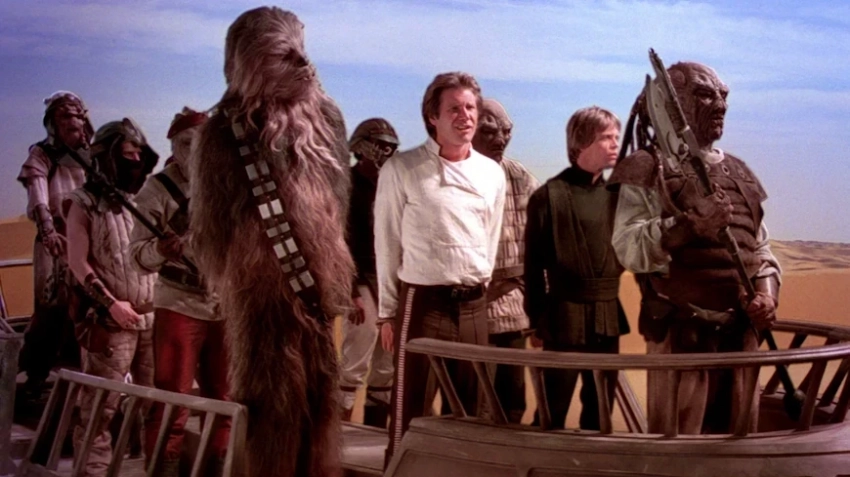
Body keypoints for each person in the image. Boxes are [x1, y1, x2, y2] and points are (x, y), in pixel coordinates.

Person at [188, 7, 353, 477]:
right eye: (286, 55)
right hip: (259, 297)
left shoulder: (328, 119)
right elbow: (214, 234)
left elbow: (338, 208)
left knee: (321, 394)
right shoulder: (221, 134)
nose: (305, 64)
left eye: (303, 51)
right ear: (251, 64)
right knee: (269, 403)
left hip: (318, 294)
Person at [609, 61, 781, 434]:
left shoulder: (740, 173)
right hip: (681, 336)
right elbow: (627, 246)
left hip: (740, 337)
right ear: (673, 103)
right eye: (705, 95)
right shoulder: (647, 167)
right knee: (680, 447)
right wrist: (689, 226)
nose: (720, 105)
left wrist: (767, 296)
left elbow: (760, 249)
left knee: (740, 443)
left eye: (723, 96)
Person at [375, 71, 506, 464]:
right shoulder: (402, 169)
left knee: (471, 414)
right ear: (433, 116)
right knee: (410, 410)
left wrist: (479, 285)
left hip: (474, 306)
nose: (465, 116)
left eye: (470, 107)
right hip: (423, 304)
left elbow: (490, 238)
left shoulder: (491, 173)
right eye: (454, 109)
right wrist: (387, 312)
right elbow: (387, 243)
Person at [129, 107, 230, 476]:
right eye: (188, 144)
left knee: (225, 400)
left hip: (224, 304)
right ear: (175, 146)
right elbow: (137, 257)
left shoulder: (227, 186)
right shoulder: (157, 190)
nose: (197, 151)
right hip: (179, 302)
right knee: (173, 399)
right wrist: (161, 250)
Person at [524, 106, 630, 430]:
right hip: (562, 318)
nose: (615, 144)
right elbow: (532, 268)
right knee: (551, 411)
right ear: (582, 142)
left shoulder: (620, 197)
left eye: (616, 136)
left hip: (607, 317)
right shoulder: (548, 197)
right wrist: (536, 321)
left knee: (600, 414)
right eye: (606, 137)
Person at [64, 118, 158, 477]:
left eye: (138, 154)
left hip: (151, 316)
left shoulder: (144, 199)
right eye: (126, 154)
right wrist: (111, 304)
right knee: (100, 408)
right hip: (110, 319)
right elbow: (78, 262)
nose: (134, 161)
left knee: (155, 404)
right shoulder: (83, 203)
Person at [16, 91, 94, 396]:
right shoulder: (42, 155)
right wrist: (48, 230)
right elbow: (39, 195)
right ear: (53, 122)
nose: (72, 121)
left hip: (90, 239)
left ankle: (85, 377)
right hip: (57, 240)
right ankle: (35, 375)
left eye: (77, 115)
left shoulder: (94, 157)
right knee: (52, 308)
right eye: (65, 116)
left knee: (89, 305)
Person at [471, 98, 539, 424]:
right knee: (473, 403)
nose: (500, 139)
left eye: (506, 131)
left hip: (515, 307)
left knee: (513, 401)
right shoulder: (449, 176)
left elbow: (540, 245)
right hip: (469, 309)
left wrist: (539, 306)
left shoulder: (520, 177)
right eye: (489, 131)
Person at [339, 118, 399, 427]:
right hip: (359, 277)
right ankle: (340, 433)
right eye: (379, 145)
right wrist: (350, 290)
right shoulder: (344, 186)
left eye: (390, 146)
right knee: (356, 359)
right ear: (360, 147)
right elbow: (337, 240)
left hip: (391, 280)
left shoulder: (394, 185)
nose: (385, 152)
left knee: (387, 364)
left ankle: (375, 435)